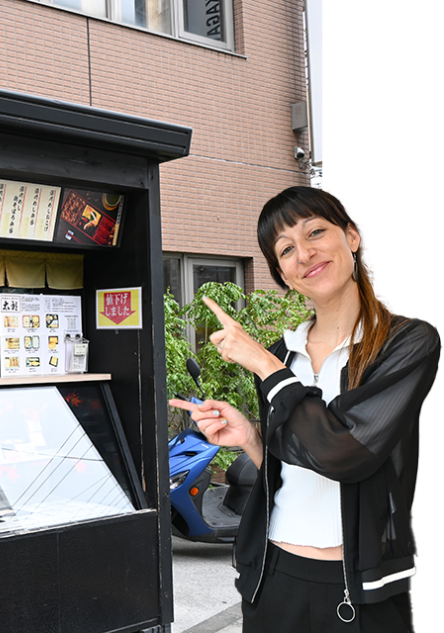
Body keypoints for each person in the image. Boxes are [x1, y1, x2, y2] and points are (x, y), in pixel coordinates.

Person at [169, 186, 440, 632]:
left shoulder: (406, 343)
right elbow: (291, 468)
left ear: (351, 237)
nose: (305, 253)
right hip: (275, 577)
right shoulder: (284, 353)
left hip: (360, 586)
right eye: (286, 250)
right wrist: (253, 440)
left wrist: (264, 364)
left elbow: (343, 454)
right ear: (283, 275)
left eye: (316, 231)